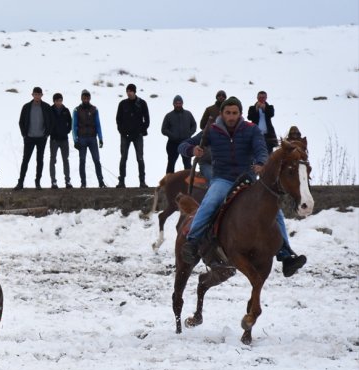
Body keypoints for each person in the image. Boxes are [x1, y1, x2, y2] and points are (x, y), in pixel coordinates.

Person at [178, 97, 306, 277]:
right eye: (228, 113)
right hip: (222, 179)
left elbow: (261, 148)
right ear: (222, 113)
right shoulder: (212, 130)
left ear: (240, 114)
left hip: (248, 180)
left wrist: (261, 162)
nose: (231, 117)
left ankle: (285, 254)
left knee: (275, 211)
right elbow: (183, 145)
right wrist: (192, 151)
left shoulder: (251, 130)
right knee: (210, 202)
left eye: (235, 113)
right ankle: (192, 242)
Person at [15, 86, 53, 190]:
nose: (37, 96)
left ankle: (37, 182)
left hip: (41, 138)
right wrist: (24, 135)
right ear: (32, 95)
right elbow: (21, 122)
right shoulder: (26, 107)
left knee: (39, 160)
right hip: (29, 138)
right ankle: (20, 183)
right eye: (35, 94)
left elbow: (51, 121)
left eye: (39, 94)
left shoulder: (46, 107)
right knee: (25, 160)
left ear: (41, 95)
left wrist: (47, 134)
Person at [115, 83, 150, 188]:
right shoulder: (122, 104)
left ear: (135, 92)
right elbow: (118, 120)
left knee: (140, 158)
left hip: (137, 136)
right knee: (123, 157)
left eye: (131, 91)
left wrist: (141, 130)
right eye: (127, 91)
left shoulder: (142, 103)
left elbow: (147, 119)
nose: (129, 93)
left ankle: (142, 181)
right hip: (125, 135)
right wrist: (122, 131)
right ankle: (121, 181)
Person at [72, 89, 106, 188]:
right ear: (81, 98)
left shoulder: (94, 109)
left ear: (90, 98)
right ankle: (83, 183)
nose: (86, 99)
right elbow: (74, 126)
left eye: (87, 97)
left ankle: (101, 182)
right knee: (82, 161)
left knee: (97, 160)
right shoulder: (76, 110)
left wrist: (100, 138)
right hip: (81, 139)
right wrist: (75, 140)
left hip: (92, 139)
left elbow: (98, 124)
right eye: (84, 97)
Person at [161, 95, 197, 174]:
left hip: (186, 142)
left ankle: (189, 184)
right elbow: (163, 129)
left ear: (182, 103)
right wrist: (172, 135)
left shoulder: (188, 114)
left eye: (179, 103)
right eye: (176, 103)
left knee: (187, 165)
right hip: (173, 143)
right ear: (173, 104)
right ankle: (169, 183)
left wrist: (189, 134)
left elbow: (194, 125)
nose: (178, 105)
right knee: (171, 163)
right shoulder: (169, 116)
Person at [48, 93, 73, 189]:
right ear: (54, 101)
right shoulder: (50, 110)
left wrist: (66, 131)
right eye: (57, 100)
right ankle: (53, 182)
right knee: (53, 160)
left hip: (64, 139)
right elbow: (47, 122)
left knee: (65, 160)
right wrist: (51, 132)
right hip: (54, 139)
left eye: (60, 100)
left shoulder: (66, 110)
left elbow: (70, 123)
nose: (59, 102)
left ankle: (68, 181)